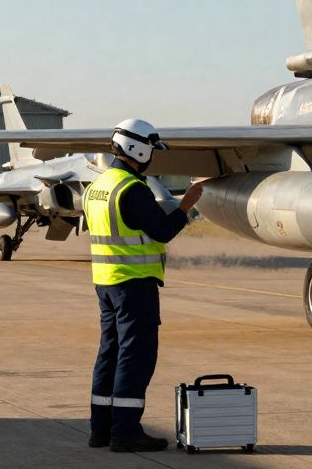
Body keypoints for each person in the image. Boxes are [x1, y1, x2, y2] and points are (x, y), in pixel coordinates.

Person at [85, 119, 203, 452]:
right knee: (135, 357)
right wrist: (187, 205)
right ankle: (125, 432)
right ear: (138, 148)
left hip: (106, 282)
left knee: (110, 352)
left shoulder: (98, 186)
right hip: (133, 284)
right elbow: (162, 231)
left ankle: (101, 430)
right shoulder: (132, 188)